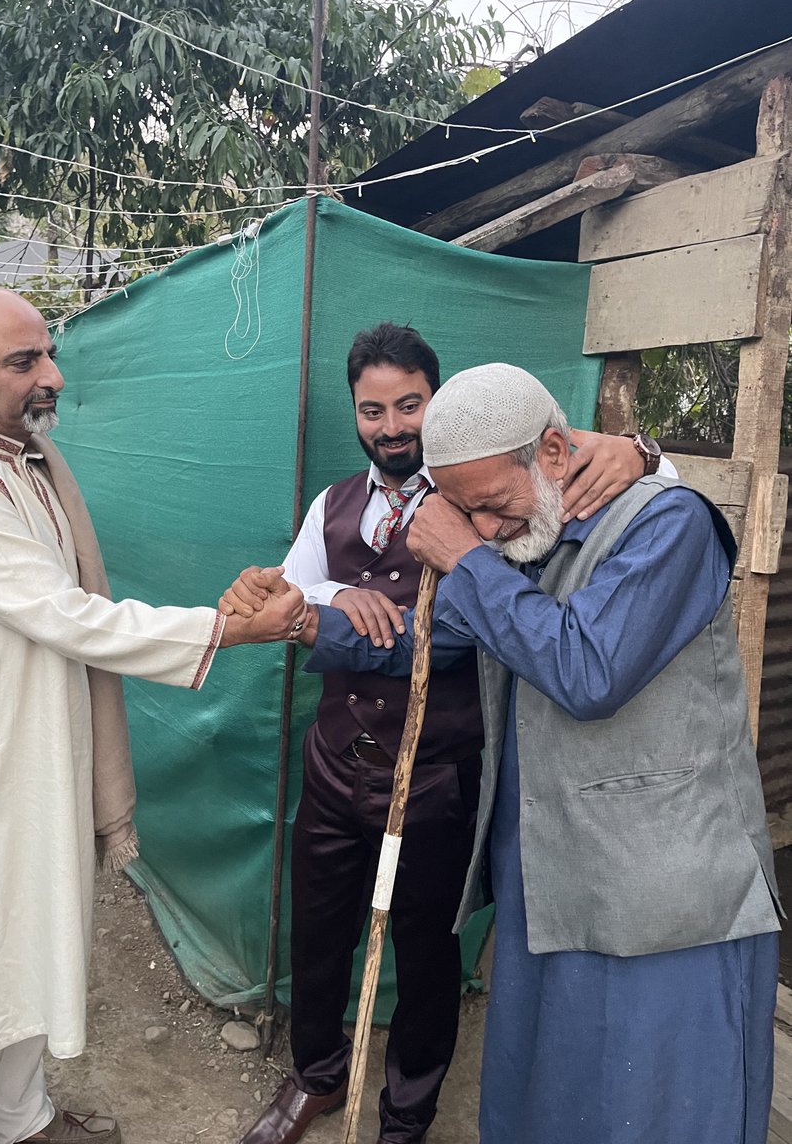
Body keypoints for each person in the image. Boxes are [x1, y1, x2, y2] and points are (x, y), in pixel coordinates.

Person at [298, 362, 781, 1144]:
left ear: (553, 451)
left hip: (664, 896)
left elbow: (587, 671)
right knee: (554, 1102)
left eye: (491, 505)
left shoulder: (670, 525)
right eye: (465, 513)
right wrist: (300, 623)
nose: (484, 528)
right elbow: (437, 639)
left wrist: (467, 556)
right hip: (552, 876)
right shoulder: (530, 543)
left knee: (659, 1111)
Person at [229, 326, 673, 1144]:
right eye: (373, 410)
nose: (392, 426)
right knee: (320, 934)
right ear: (354, 415)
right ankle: (317, 1076)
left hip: (435, 775)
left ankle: (407, 1114)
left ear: (438, 404)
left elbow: (559, 525)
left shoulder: (492, 499)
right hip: (335, 765)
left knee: (427, 953)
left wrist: (646, 453)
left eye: (409, 405)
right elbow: (287, 594)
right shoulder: (334, 504)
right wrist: (312, 603)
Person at [0, 285, 306, 1144]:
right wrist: (228, 631)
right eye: (23, 362)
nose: (51, 376)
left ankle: (21, 1116)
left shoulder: (23, 457)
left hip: (37, 753)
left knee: (34, 951)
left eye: (49, 354)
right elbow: (69, 616)